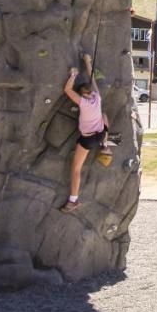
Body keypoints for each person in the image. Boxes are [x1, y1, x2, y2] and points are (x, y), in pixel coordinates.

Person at [60, 53, 108, 213]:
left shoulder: (83, 102)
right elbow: (92, 77)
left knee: (76, 169)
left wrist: (73, 75)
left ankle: (73, 200)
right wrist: (87, 61)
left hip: (87, 140)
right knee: (105, 116)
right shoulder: (97, 97)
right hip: (100, 135)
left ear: (82, 94)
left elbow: (67, 90)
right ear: (91, 92)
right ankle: (106, 146)